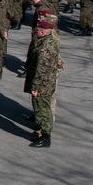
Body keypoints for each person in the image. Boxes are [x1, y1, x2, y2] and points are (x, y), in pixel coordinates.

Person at [25, 16, 62, 148]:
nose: (36, 30)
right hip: (44, 83)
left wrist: (35, 87)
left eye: (38, 28)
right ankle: (43, 133)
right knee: (41, 109)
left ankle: (45, 137)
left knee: (42, 110)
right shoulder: (45, 41)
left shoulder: (46, 47)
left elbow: (41, 69)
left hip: (42, 85)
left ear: (43, 30)